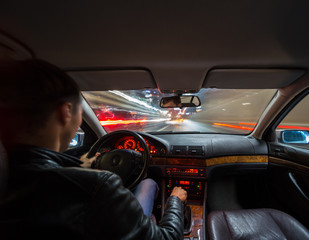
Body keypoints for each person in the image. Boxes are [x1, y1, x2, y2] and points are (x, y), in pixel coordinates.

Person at [0, 59, 187, 239]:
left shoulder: (8, 175)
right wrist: (175, 202)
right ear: (65, 112)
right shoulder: (97, 188)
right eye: (80, 112)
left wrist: (81, 168)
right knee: (148, 184)